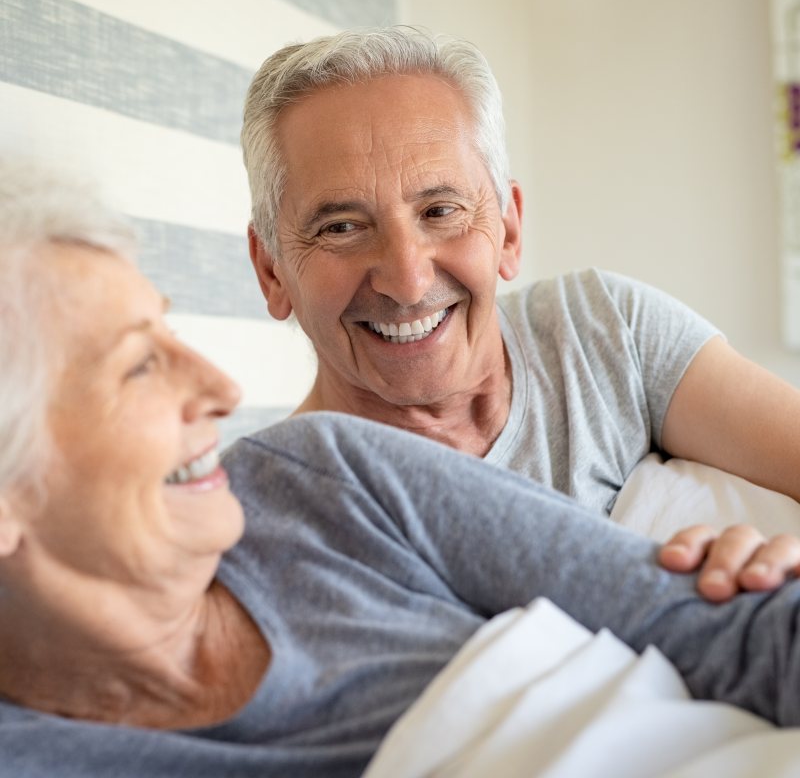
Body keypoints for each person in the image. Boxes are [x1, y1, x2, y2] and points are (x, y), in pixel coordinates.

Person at [3, 160, 800, 777]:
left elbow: (742, 639)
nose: (222, 389)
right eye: (139, 366)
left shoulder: (320, 477)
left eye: (441, 209)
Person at [240, 26, 800, 598]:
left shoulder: (602, 330)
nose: (408, 282)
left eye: (440, 210)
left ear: (508, 229)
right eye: (342, 228)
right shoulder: (263, 517)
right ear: (272, 271)